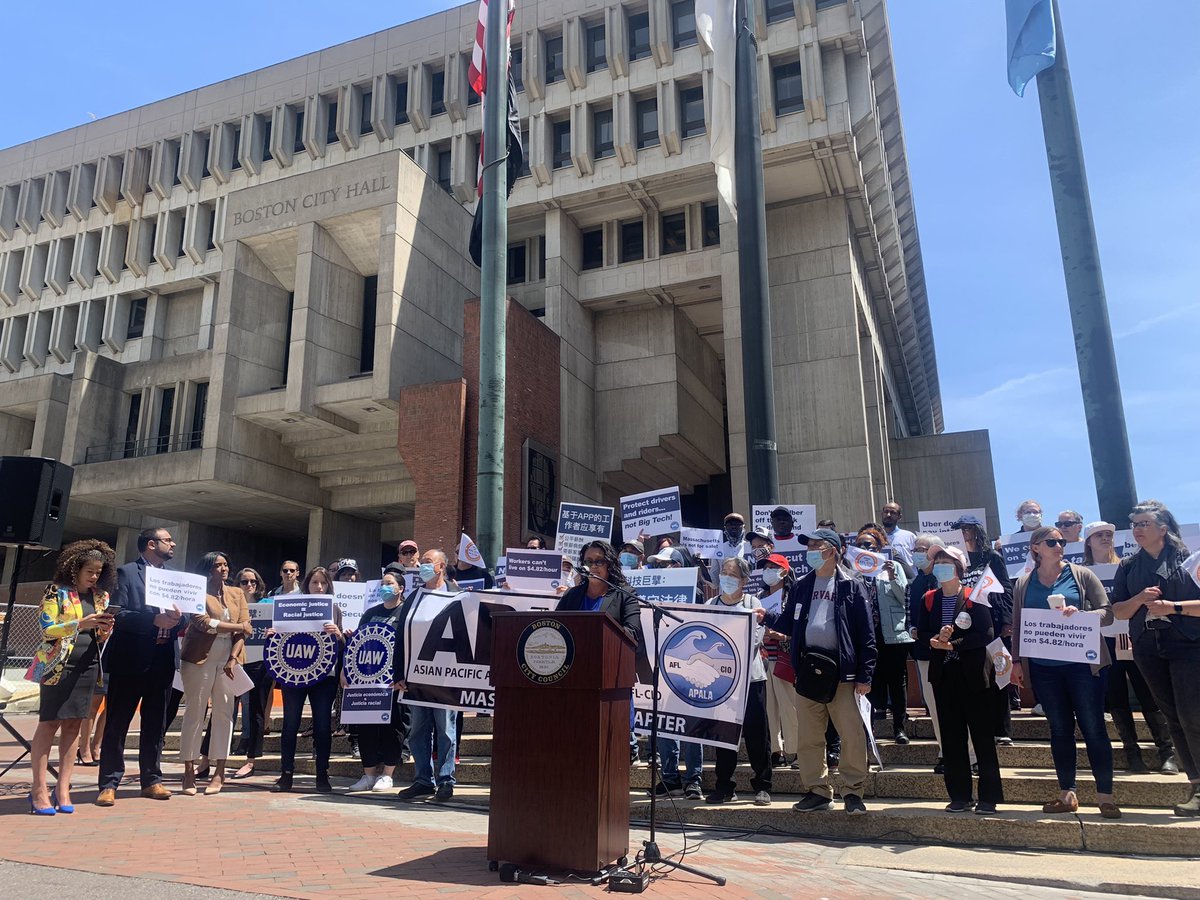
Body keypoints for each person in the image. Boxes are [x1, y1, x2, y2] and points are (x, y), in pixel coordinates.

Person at [758, 528, 875, 815]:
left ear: (833, 550)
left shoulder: (852, 584)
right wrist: (766, 616)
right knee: (809, 736)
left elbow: (866, 635)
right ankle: (818, 790)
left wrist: (865, 675)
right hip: (808, 671)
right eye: (808, 546)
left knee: (850, 734)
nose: (811, 550)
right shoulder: (802, 585)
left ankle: (853, 791)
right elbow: (788, 622)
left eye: (816, 546)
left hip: (843, 674)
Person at [1012, 526, 1119, 819]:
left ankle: (1105, 796)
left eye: (1061, 541)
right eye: (1052, 542)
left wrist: (1081, 615)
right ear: (1036, 547)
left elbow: (1107, 613)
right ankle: (1067, 793)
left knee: (1093, 727)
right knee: (1059, 729)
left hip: (1083, 666)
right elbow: (1019, 625)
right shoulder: (1023, 583)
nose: (1059, 545)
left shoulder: (1082, 575)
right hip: (1045, 670)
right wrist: (1017, 662)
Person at [1111, 500, 1200, 817]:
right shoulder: (1127, 566)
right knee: (1173, 716)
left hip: (1188, 644)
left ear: (1163, 528)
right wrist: (1139, 599)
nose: (1137, 529)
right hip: (1148, 646)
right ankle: (1196, 785)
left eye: (1144, 523)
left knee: (1192, 714)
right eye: (1134, 524)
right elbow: (1118, 611)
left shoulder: (1189, 559)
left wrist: (1171, 608)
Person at [28, 540, 116, 815]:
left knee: (74, 726)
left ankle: (63, 787)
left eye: (99, 572)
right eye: (89, 571)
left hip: (88, 665)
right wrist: (81, 624)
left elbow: (99, 637)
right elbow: (47, 629)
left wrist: (104, 629)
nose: (94, 577)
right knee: (49, 724)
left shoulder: (101, 597)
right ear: (74, 569)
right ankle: (39, 788)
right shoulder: (56, 592)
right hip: (56, 666)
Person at [97, 527, 184, 806]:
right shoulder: (126, 573)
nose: (173, 544)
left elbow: (182, 620)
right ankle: (109, 783)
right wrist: (153, 621)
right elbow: (118, 615)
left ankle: (152, 780)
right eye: (167, 540)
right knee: (118, 722)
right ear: (151, 544)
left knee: (156, 723)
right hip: (129, 660)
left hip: (162, 660)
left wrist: (177, 619)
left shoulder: (173, 579)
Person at [1086, 521, 1179, 774]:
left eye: (1108, 535)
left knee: (1148, 691)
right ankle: (1131, 752)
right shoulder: (1083, 573)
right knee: (1115, 694)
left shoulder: (1126, 566)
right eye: (1099, 535)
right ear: (1088, 541)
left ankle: (1167, 751)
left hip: (1134, 636)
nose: (1105, 539)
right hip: (1102, 639)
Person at [918, 545, 1002, 815]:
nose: (941, 566)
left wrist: (954, 645)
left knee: (982, 737)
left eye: (947, 562)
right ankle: (959, 795)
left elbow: (986, 633)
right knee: (952, 739)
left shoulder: (974, 596)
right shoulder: (929, 598)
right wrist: (932, 640)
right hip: (944, 677)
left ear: (959, 568)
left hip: (973, 676)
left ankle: (988, 796)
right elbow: (922, 631)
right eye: (938, 561)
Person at [179, 552, 251, 797]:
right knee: (195, 712)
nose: (224, 569)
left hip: (229, 656)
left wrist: (233, 658)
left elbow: (245, 631)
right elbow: (203, 622)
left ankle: (219, 771)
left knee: (224, 712)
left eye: (225, 565)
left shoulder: (237, 593)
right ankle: (189, 771)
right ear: (207, 569)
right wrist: (240, 626)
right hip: (199, 656)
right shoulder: (196, 592)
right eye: (218, 565)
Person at [395, 549, 461, 801]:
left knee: (445, 730)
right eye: (421, 563)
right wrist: (399, 672)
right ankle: (423, 780)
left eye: (427, 563)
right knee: (418, 730)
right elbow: (402, 636)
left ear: (441, 566)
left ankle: (446, 780)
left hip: (446, 677)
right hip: (417, 676)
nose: (422, 566)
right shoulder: (414, 597)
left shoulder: (457, 595)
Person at [273, 565, 344, 794]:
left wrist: (338, 634)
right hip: (294, 672)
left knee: (323, 725)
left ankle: (322, 774)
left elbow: (342, 644)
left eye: (323, 583)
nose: (319, 587)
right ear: (307, 585)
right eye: (315, 582)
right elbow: (280, 636)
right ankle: (286, 774)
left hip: (324, 675)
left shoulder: (334, 609)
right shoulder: (291, 606)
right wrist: (272, 635)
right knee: (290, 723)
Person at [705, 558, 771, 805]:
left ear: (744, 580)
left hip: (751, 679)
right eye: (723, 573)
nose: (726, 578)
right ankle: (724, 786)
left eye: (732, 575)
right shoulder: (711, 604)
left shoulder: (753, 603)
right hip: (722, 682)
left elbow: (754, 639)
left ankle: (762, 785)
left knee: (757, 733)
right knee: (723, 735)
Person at [347, 570, 410, 793]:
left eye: (389, 584)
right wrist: (348, 673)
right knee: (366, 728)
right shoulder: (370, 613)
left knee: (392, 727)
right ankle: (368, 774)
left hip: (393, 683)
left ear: (400, 588)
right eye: (382, 583)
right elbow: (357, 644)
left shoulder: (406, 613)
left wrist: (402, 676)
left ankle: (388, 774)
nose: (385, 587)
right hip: (368, 682)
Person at [954, 515, 1016, 738]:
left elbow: (1007, 589)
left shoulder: (992, 557)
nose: (963, 532)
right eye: (960, 529)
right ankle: (983, 728)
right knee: (978, 676)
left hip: (996, 623)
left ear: (977, 530)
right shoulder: (958, 560)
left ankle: (1002, 730)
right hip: (969, 626)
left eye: (967, 528)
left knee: (1000, 674)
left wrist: (1008, 620)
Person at [857, 525, 913, 743]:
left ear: (879, 547)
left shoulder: (894, 567)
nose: (864, 548)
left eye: (868, 544)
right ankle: (869, 729)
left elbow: (903, 597)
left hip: (893, 635)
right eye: (860, 545)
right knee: (870, 681)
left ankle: (899, 727)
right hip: (867, 636)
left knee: (897, 682)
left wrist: (891, 577)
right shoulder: (854, 571)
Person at [907, 534, 953, 773]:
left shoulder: (948, 582)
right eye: (915, 549)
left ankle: (970, 755)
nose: (918, 553)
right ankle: (945, 751)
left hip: (953, 655)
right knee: (934, 706)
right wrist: (914, 630)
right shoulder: (914, 583)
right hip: (924, 654)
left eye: (923, 549)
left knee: (957, 706)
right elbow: (909, 618)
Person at [229, 567, 274, 779]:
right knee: (224, 707)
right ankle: (206, 758)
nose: (249, 585)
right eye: (245, 582)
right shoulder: (230, 605)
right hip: (233, 661)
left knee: (256, 709)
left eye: (253, 582)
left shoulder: (268, 606)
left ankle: (251, 759)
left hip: (259, 663)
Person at [760, 554, 798, 768]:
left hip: (785, 658)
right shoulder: (758, 596)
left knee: (789, 706)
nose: (768, 571)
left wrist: (782, 636)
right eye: (765, 567)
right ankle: (776, 749)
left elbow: (798, 628)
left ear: (784, 571)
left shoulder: (791, 597)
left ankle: (795, 749)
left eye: (772, 567)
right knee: (769, 708)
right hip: (764, 658)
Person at [880, 501, 917, 577]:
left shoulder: (909, 536)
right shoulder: (874, 537)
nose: (888, 515)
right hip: (882, 581)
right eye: (886, 512)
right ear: (882, 514)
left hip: (907, 581)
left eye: (893, 512)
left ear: (899, 516)